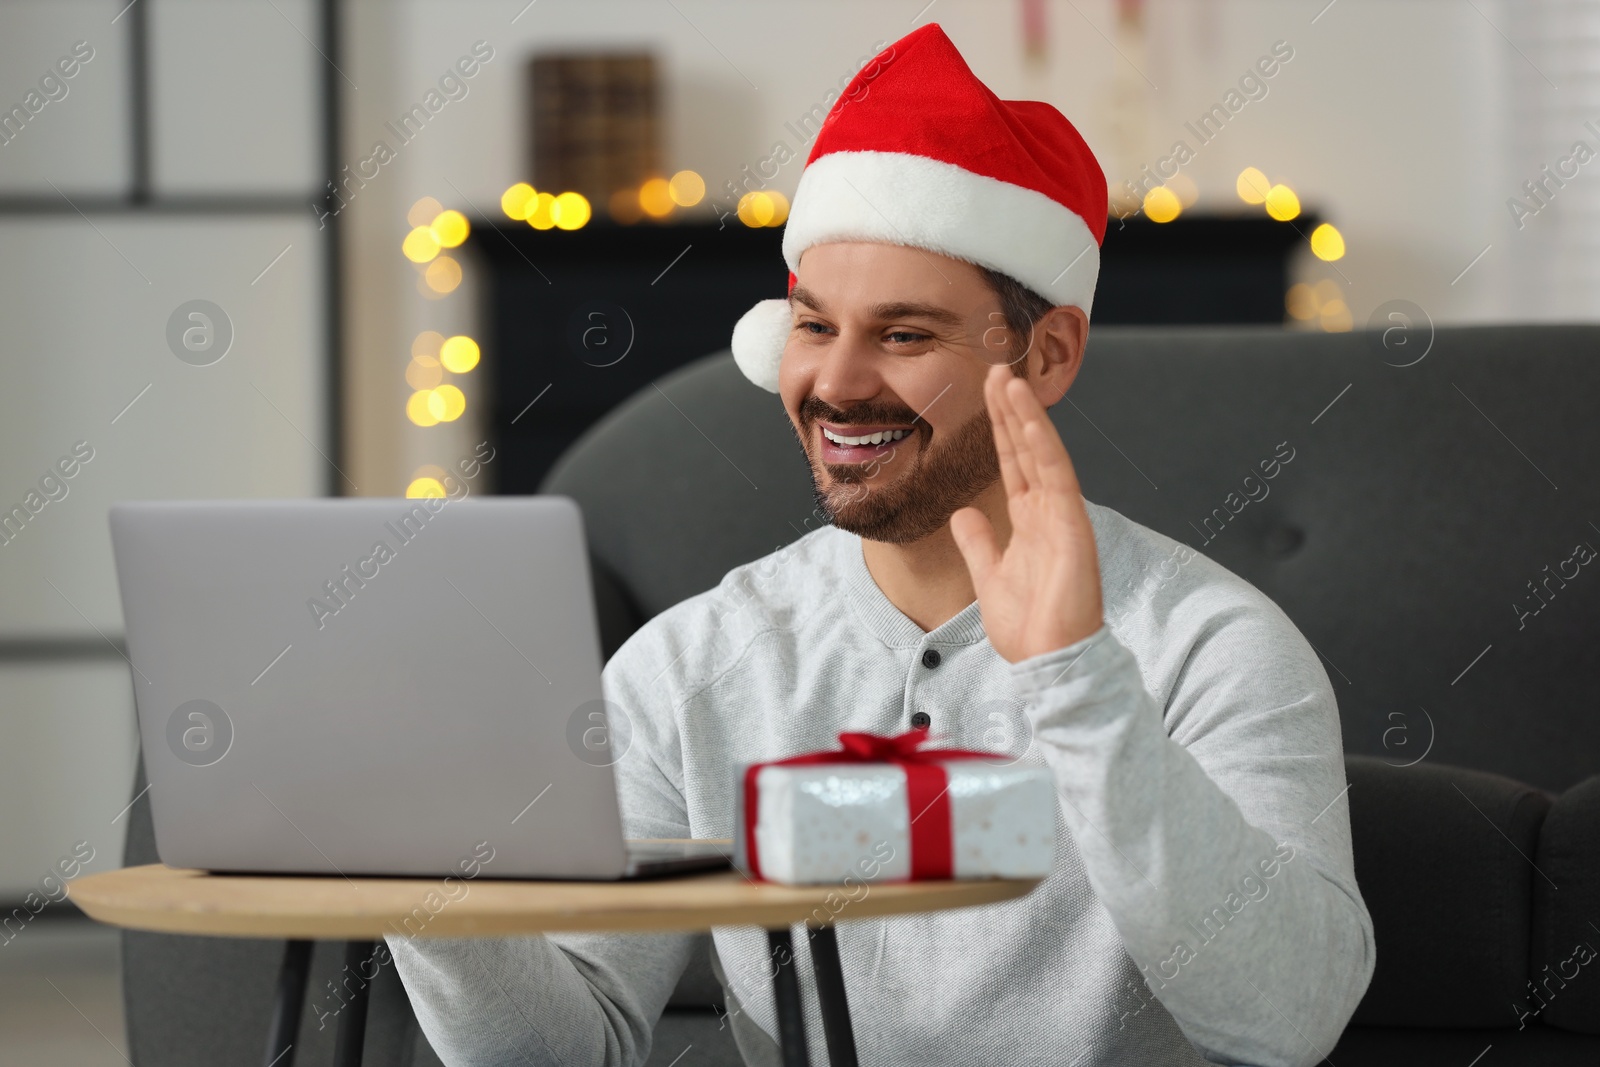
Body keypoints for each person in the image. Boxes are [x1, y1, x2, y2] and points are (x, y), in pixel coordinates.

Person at [387, 22, 1375, 1067]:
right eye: (814, 325)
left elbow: (1287, 1019)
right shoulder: (693, 664)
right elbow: (561, 1053)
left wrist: (1076, 681)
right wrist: (420, 875)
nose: (840, 382)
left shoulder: (1210, 645)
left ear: (1045, 354)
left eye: (904, 335)